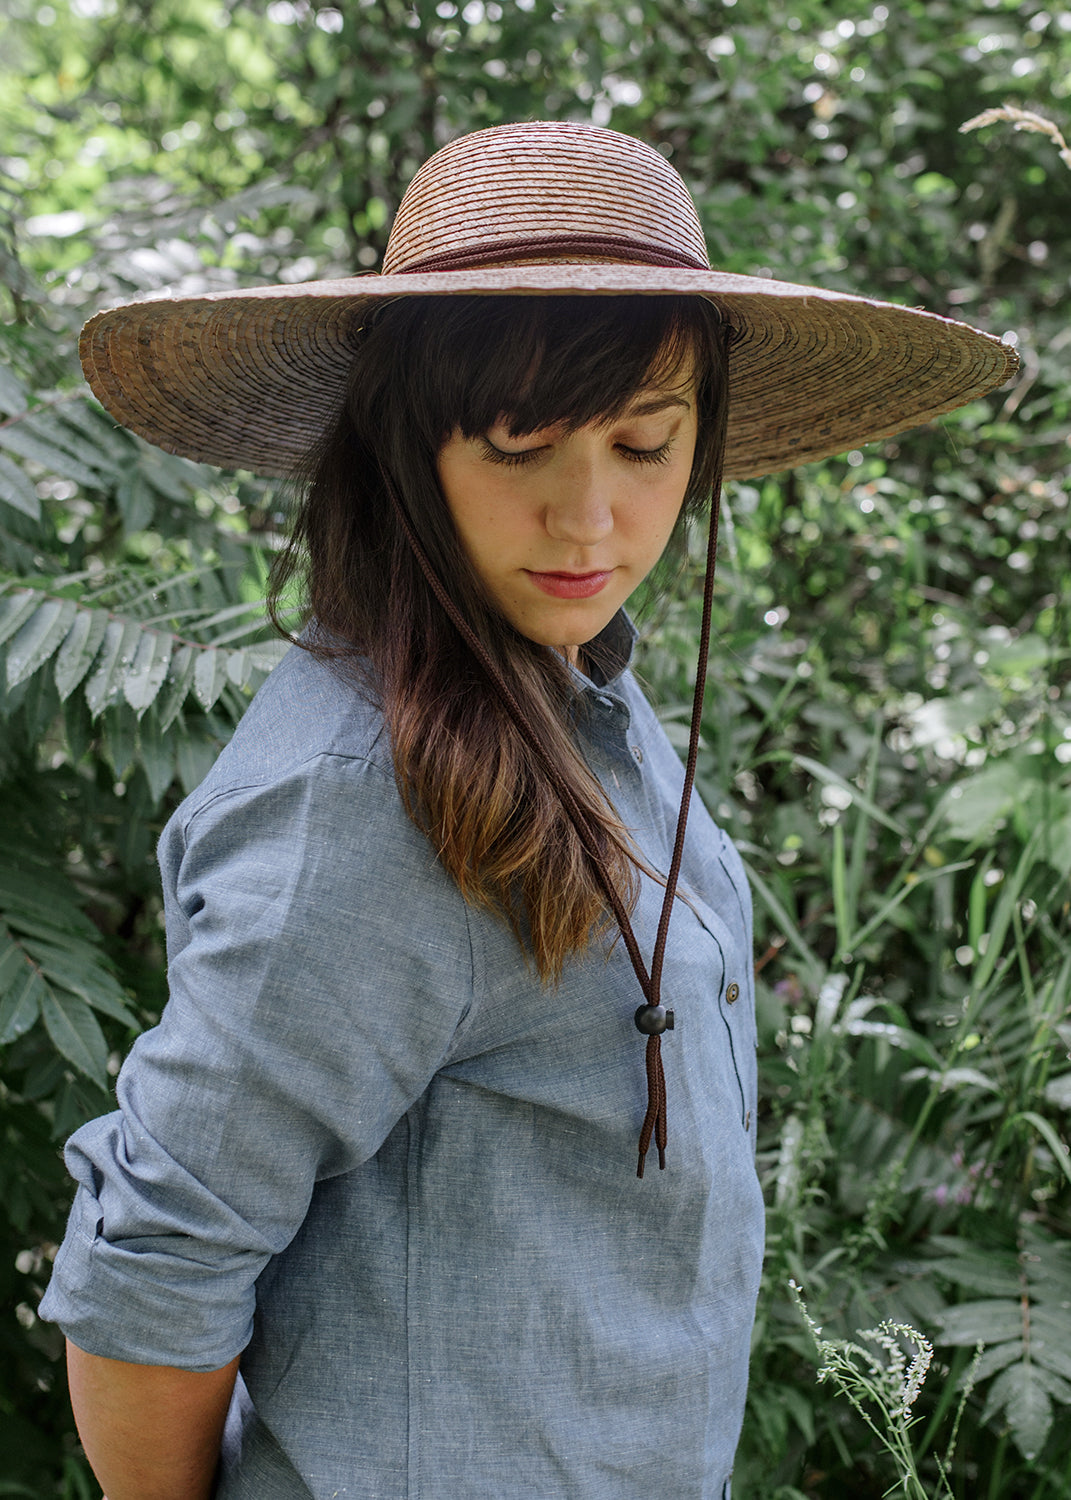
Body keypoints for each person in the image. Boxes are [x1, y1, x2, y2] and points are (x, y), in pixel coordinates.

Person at [39, 121, 1016, 1500]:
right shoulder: (365, 803)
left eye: (643, 443)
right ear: (402, 446)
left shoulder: (569, 690)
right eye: (518, 446)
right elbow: (156, 1270)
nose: (592, 520)